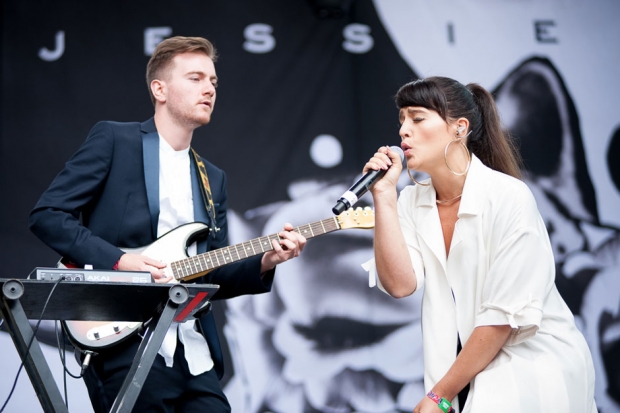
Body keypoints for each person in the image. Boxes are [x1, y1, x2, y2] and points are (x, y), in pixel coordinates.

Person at [28, 36, 306, 412]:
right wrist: (121, 261)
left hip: (193, 350)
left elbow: (211, 274)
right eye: (195, 78)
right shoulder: (116, 140)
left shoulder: (213, 178)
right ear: (159, 88)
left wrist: (266, 261)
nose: (209, 88)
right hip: (123, 339)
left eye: (213, 81)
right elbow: (48, 216)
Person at [362, 77, 598, 413]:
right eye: (401, 120)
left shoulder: (508, 197)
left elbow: (503, 317)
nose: (403, 131)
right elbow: (400, 284)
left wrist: (438, 396)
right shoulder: (411, 201)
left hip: (533, 365)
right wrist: (384, 196)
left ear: (459, 129)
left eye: (416, 118)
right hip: (468, 371)